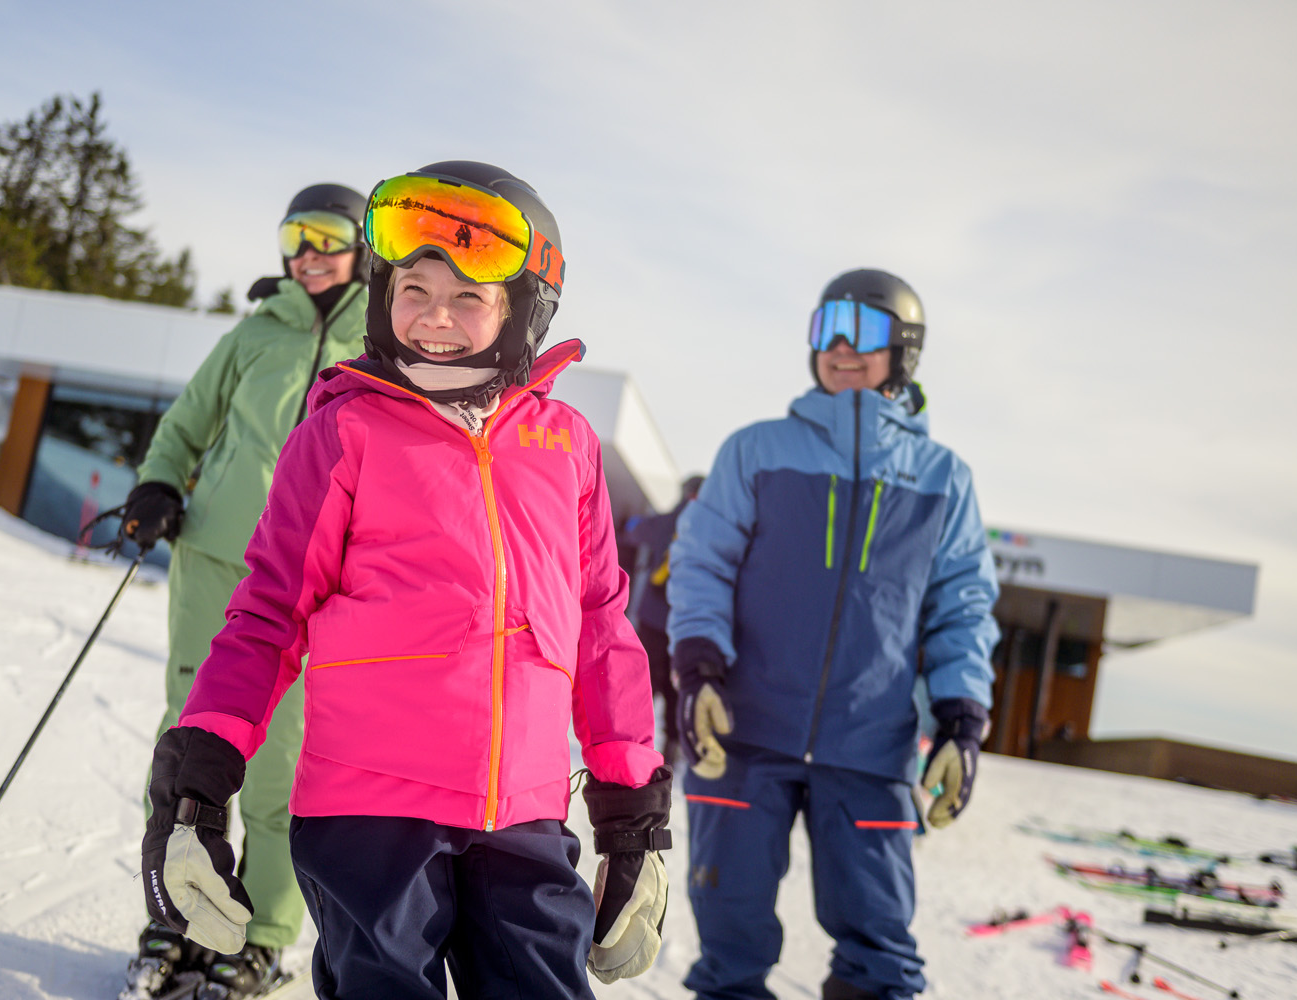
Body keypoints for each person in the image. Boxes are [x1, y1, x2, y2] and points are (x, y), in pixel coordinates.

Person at [137, 162, 674, 999]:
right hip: (370, 816)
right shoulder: (343, 431)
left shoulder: (565, 445)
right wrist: (198, 778)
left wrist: (631, 813)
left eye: (468, 297)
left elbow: (600, 623)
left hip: (524, 819)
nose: (434, 316)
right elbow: (270, 613)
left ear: (523, 307)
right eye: (414, 288)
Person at [667, 268, 1000, 1000]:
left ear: (904, 350)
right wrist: (699, 671)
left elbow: (963, 608)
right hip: (744, 736)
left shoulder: (944, 478)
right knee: (729, 946)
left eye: (865, 331)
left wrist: (961, 722)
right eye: (828, 329)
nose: (842, 347)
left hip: (869, 745)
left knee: (880, 952)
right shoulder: (756, 450)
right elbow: (701, 565)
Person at [115, 183, 371, 999]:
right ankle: (176, 915)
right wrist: (160, 481)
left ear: (363, 245)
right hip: (218, 558)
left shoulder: (382, 339)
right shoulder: (255, 331)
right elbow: (188, 422)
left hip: (314, 580)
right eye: (295, 237)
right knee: (190, 739)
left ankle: (260, 933)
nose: (308, 254)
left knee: (282, 763)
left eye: (326, 235)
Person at [619, 474, 704, 763]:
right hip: (685, 623)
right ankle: (672, 747)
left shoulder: (668, 520)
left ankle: (630, 738)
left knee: (643, 681)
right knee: (675, 687)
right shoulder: (710, 529)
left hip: (653, 620)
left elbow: (634, 531)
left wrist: (629, 521)